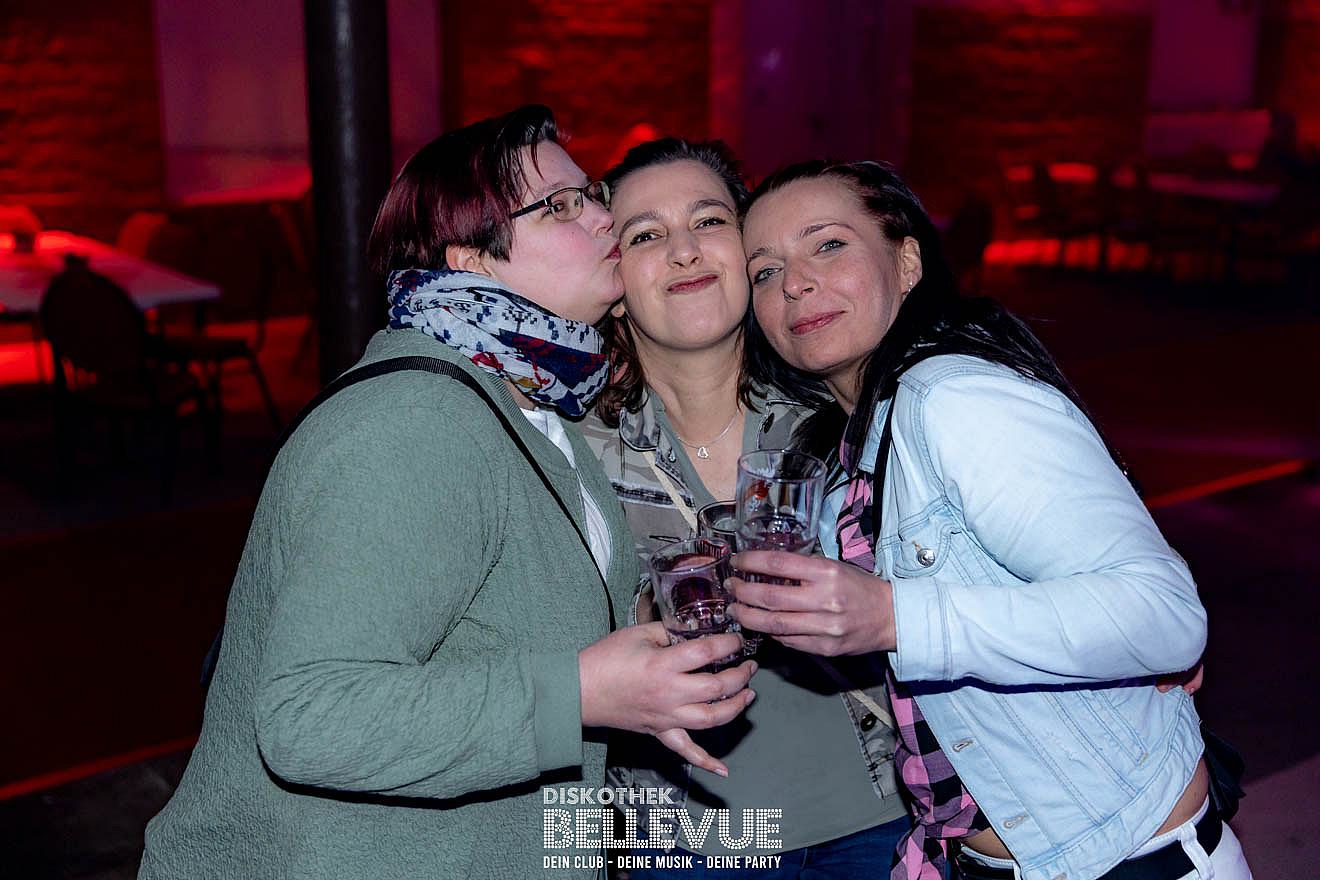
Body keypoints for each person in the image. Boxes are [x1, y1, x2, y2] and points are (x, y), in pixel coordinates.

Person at [137, 106, 755, 880]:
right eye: (562, 207)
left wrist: (638, 662)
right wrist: (579, 694)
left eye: (593, 194)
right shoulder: (414, 417)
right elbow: (309, 716)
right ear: (471, 263)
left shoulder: (536, 409)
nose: (604, 218)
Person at [730, 160, 1250, 880]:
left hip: (1128, 860)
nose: (794, 283)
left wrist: (896, 617)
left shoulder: (953, 398)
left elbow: (1163, 614)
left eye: (828, 245)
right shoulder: (853, 445)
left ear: (906, 262)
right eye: (765, 271)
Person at [581, 138, 912, 878]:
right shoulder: (570, 454)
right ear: (614, 281)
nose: (685, 251)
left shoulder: (843, 409)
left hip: (886, 822)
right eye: (646, 235)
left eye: (709, 221)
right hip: (678, 843)